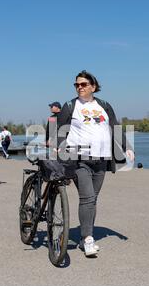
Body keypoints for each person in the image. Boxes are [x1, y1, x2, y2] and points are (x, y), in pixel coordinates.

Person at [57, 70, 135, 257]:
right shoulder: (70, 106)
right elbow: (59, 129)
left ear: (93, 86)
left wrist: (126, 146)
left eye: (83, 84)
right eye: (76, 85)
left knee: (93, 198)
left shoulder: (104, 105)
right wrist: (58, 146)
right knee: (88, 198)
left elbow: (114, 126)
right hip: (79, 158)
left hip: (101, 159)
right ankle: (88, 239)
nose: (79, 88)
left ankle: (86, 235)